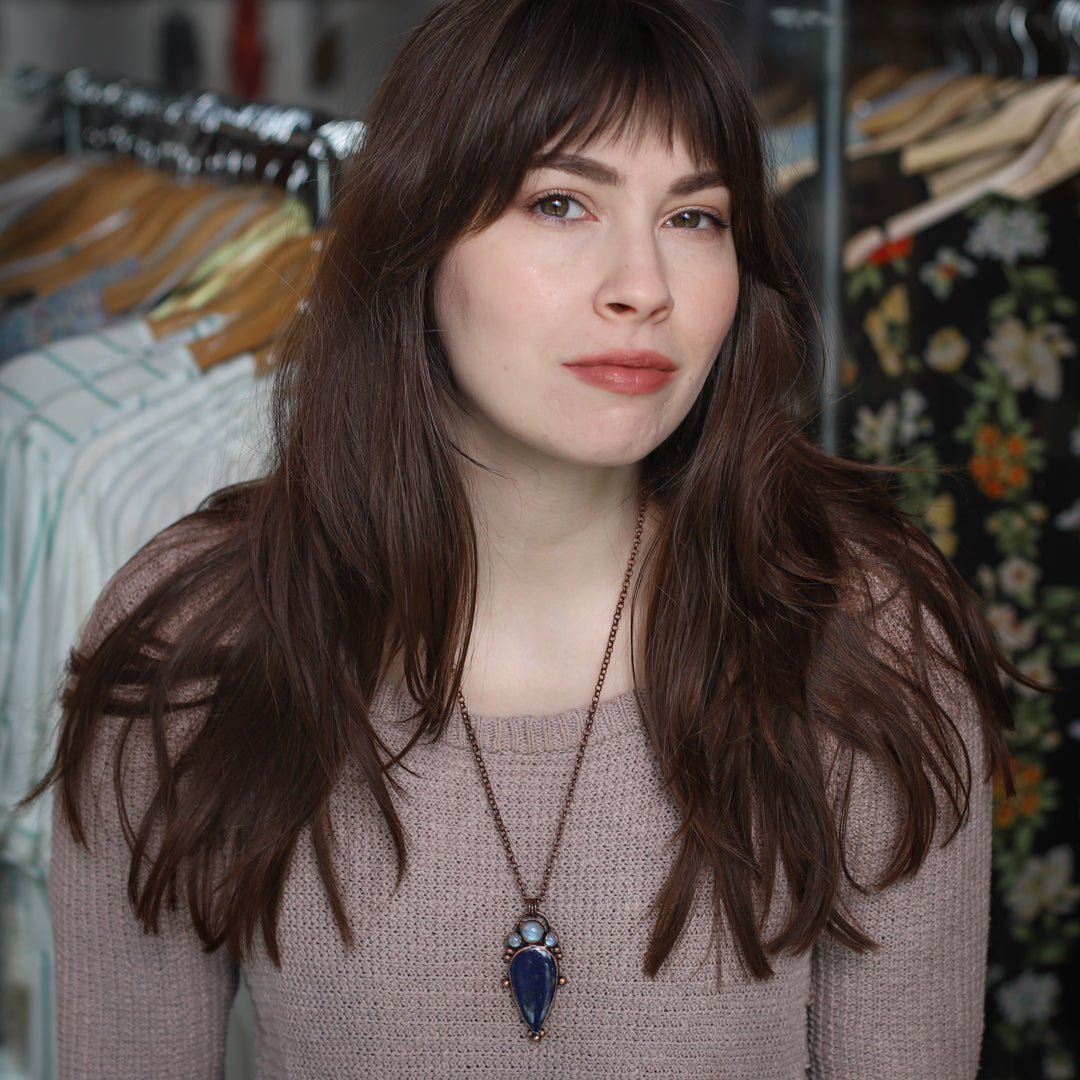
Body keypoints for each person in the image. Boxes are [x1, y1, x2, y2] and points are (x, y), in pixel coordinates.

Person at [39, 0, 1015, 1076]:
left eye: (696, 218)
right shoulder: (200, 641)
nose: (642, 288)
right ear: (418, 234)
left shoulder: (860, 641)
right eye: (560, 204)